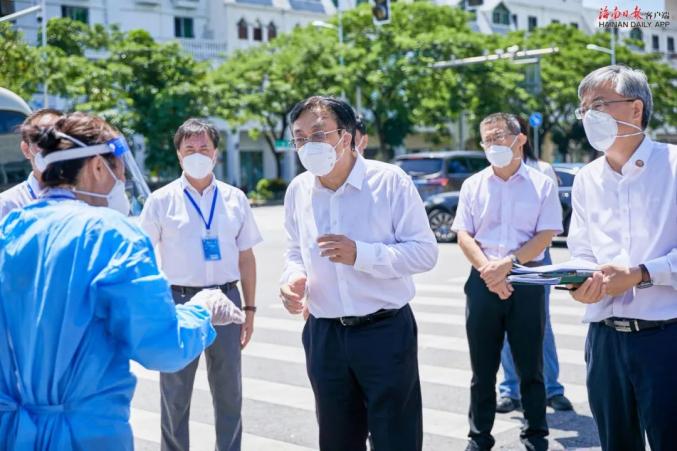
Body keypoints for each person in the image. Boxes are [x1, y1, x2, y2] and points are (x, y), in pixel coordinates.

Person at [0, 112, 245, 451]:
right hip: (87, 433)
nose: (122, 178)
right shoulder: (113, 237)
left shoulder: (10, 230)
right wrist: (201, 311)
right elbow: (162, 345)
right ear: (98, 167)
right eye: (119, 167)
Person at [279, 96, 438, 451]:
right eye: (300, 137)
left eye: (318, 133)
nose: (308, 144)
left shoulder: (389, 181)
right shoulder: (299, 190)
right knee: (337, 438)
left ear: (348, 135)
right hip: (324, 335)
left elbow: (425, 253)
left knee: (396, 437)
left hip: (384, 330)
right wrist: (291, 279)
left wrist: (361, 254)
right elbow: (294, 250)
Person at [567, 65, 677, 450]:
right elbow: (580, 248)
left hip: (667, 338)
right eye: (583, 109)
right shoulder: (586, 179)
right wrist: (579, 283)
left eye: (598, 104)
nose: (588, 117)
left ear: (636, 109)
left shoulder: (674, 165)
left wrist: (640, 274)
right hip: (604, 340)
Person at [140, 118, 262, 451]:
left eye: (203, 147)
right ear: (178, 155)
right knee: (175, 397)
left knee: (229, 394)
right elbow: (142, 256)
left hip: (227, 300)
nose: (197, 154)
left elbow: (246, 258)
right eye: (189, 148)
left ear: (216, 153)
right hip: (179, 303)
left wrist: (249, 308)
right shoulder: (161, 201)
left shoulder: (235, 198)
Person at [451, 112, 563, 451]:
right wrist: (490, 270)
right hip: (483, 280)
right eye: (487, 139)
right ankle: (479, 437)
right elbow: (464, 234)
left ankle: (535, 436)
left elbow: (546, 235)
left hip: (526, 280)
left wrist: (509, 264)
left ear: (520, 139)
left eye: (499, 136)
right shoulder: (474, 184)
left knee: (531, 366)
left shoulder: (541, 183)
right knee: (482, 369)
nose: (493, 144)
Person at [496, 116, 573, 413]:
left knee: (541, 325)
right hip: (501, 261)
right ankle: (509, 390)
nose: (499, 142)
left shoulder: (542, 171)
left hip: (537, 261)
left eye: (506, 134)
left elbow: (549, 225)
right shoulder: (493, 173)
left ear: (522, 137)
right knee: (504, 325)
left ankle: (552, 389)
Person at [0, 108, 62, 219]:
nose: (52, 148)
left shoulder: (87, 196)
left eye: (59, 139)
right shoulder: (7, 205)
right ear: (26, 149)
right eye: (42, 139)